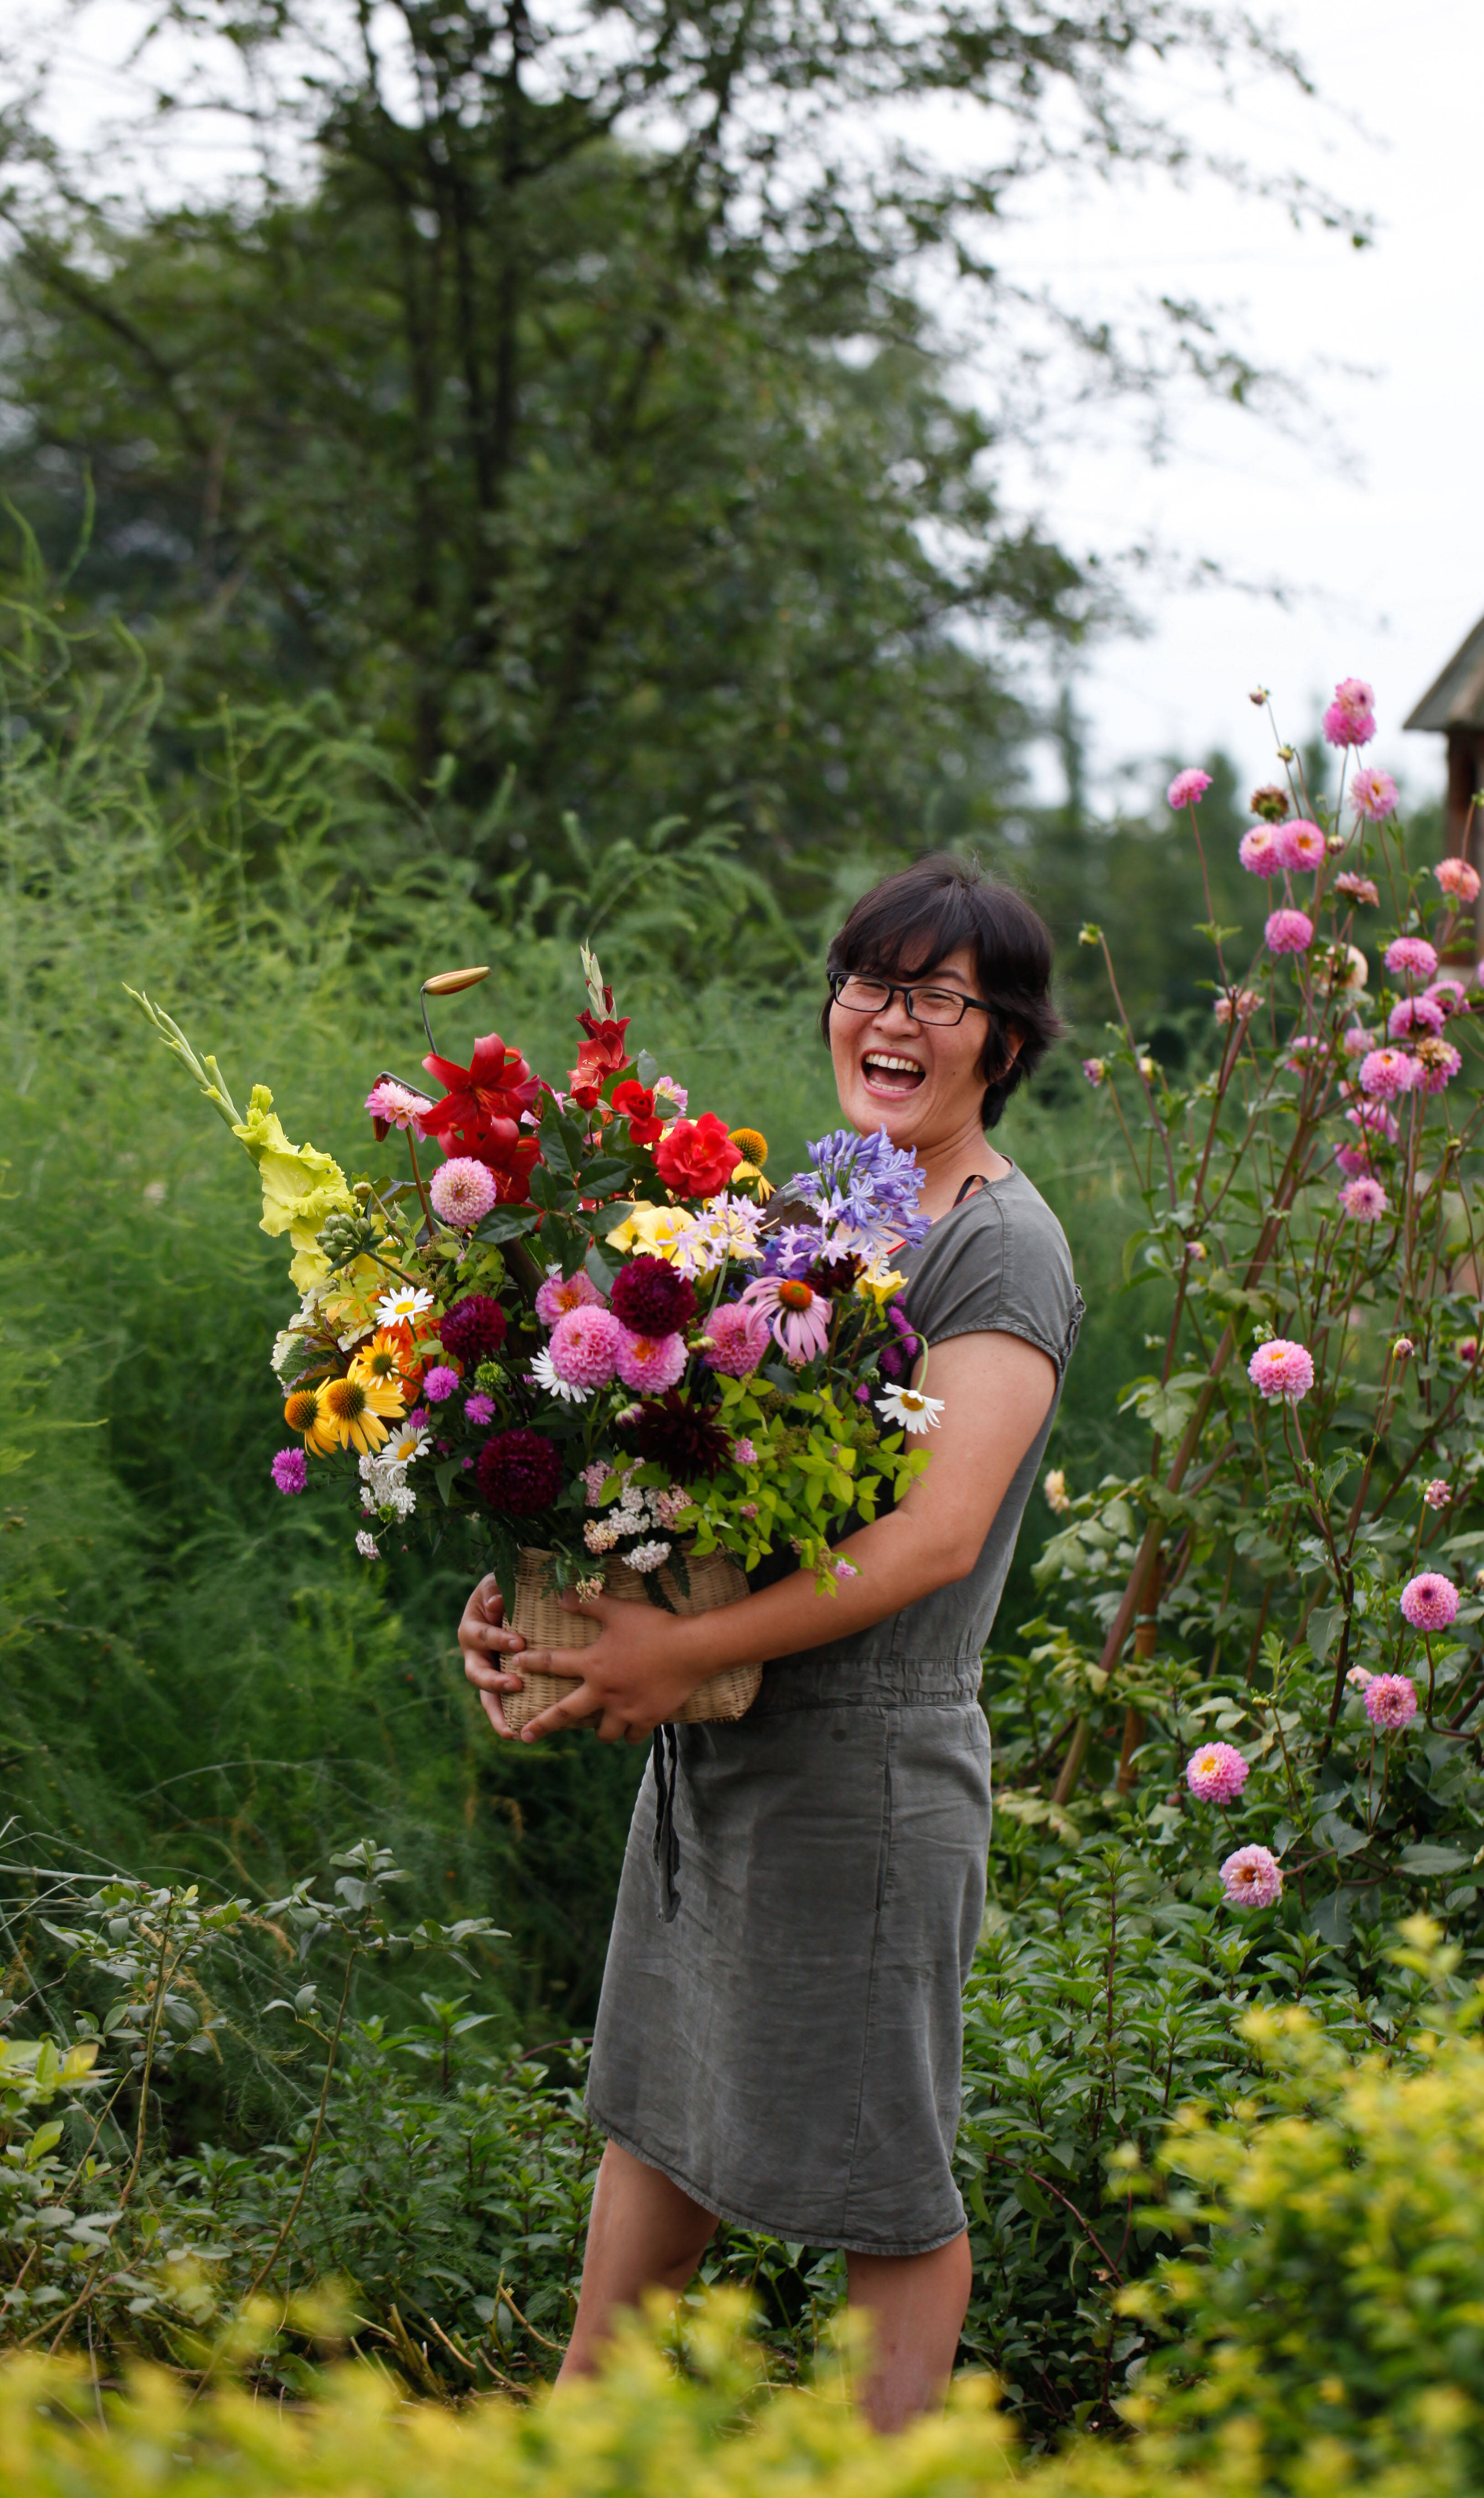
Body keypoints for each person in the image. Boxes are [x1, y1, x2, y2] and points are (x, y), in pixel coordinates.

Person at [457, 855, 1082, 2427]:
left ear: (999, 1040)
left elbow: (933, 1535)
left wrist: (687, 1649)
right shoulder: (809, 1213)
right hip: (727, 1745)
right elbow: (685, 1479)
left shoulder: (1000, 1249)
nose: (891, 1020)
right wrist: (547, 1595)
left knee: (887, 2182)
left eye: (939, 997)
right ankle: (579, 2443)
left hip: (868, 1768)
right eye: (870, 984)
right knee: (661, 2123)